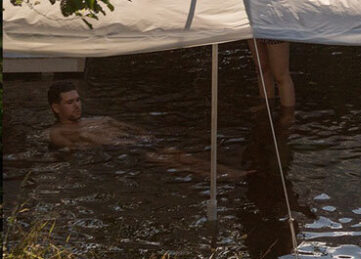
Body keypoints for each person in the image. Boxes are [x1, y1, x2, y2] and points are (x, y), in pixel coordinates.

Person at [45, 80, 247, 178]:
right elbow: (71, 149)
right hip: (118, 151)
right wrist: (89, 140)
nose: (77, 105)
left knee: (176, 154)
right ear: (56, 107)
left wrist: (143, 136)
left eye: (78, 100)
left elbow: (133, 129)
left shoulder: (101, 118)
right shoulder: (57, 132)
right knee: (166, 159)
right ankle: (224, 177)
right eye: (70, 102)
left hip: (135, 143)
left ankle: (232, 173)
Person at [247, 39, 295, 108]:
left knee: (280, 76)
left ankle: (288, 115)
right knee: (262, 69)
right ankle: (266, 105)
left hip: (276, 32)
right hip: (255, 30)